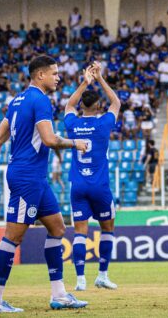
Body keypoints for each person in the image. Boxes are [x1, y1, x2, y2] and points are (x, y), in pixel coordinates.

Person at [0, 55, 88, 312]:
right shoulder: (40, 100)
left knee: (57, 228)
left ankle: (59, 295)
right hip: (27, 177)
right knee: (13, 237)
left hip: (35, 177)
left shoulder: (16, 101)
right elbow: (48, 139)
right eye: (55, 73)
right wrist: (74, 143)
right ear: (40, 76)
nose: (58, 77)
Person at [64, 61, 121, 292]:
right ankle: (102, 275)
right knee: (107, 229)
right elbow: (116, 102)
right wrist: (99, 79)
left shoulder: (73, 124)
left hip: (78, 185)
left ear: (82, 106)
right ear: (98, 105)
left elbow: (68, 104)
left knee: (79, 232)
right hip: (100, 186)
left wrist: (84, 82)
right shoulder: (103, 123)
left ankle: (80, 281)